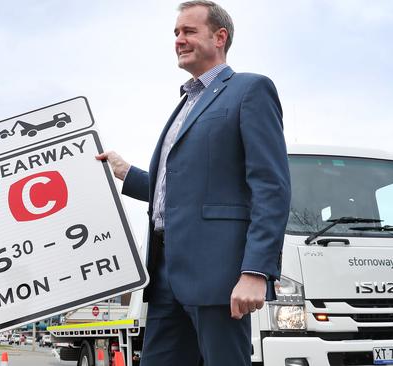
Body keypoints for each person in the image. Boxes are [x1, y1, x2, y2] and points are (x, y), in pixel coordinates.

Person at [96, 1, 290, 365]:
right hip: (166, 272)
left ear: (220, 37)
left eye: (188, 31)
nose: (179, 40)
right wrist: (126, 172)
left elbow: (271, 187)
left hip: (218, 274)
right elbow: (180, 192)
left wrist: (255, 271)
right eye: (175, 33)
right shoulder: (184, 103)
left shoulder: (250, 90)